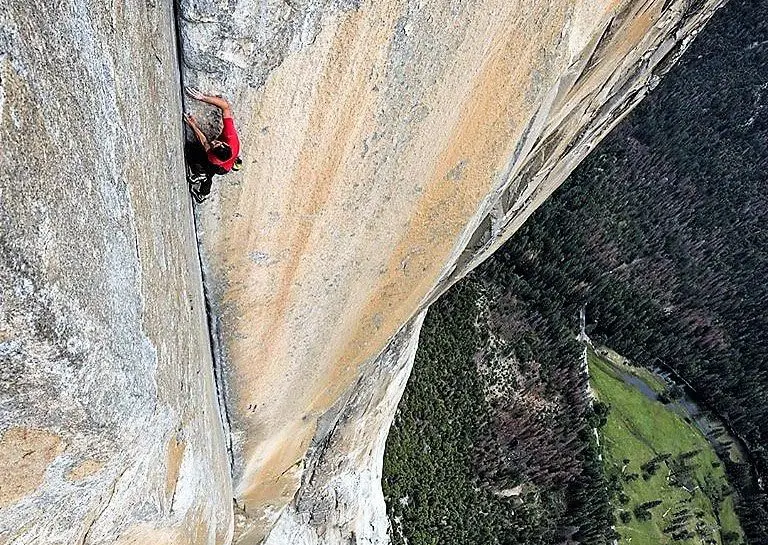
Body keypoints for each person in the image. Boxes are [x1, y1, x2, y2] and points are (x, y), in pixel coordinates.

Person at [183, 87, 242, 202]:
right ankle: (203, 177)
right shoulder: (230, 136)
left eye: (214, 145)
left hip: (222, 168)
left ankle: (203, 188)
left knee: (192, 152)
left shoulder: (214, 158)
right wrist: (202, 97)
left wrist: (193, 125)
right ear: (225, 145)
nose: (213, 141)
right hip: (229, 160)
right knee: (201, 160)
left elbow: (204, 141)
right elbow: (225, 106)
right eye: (217, 143)